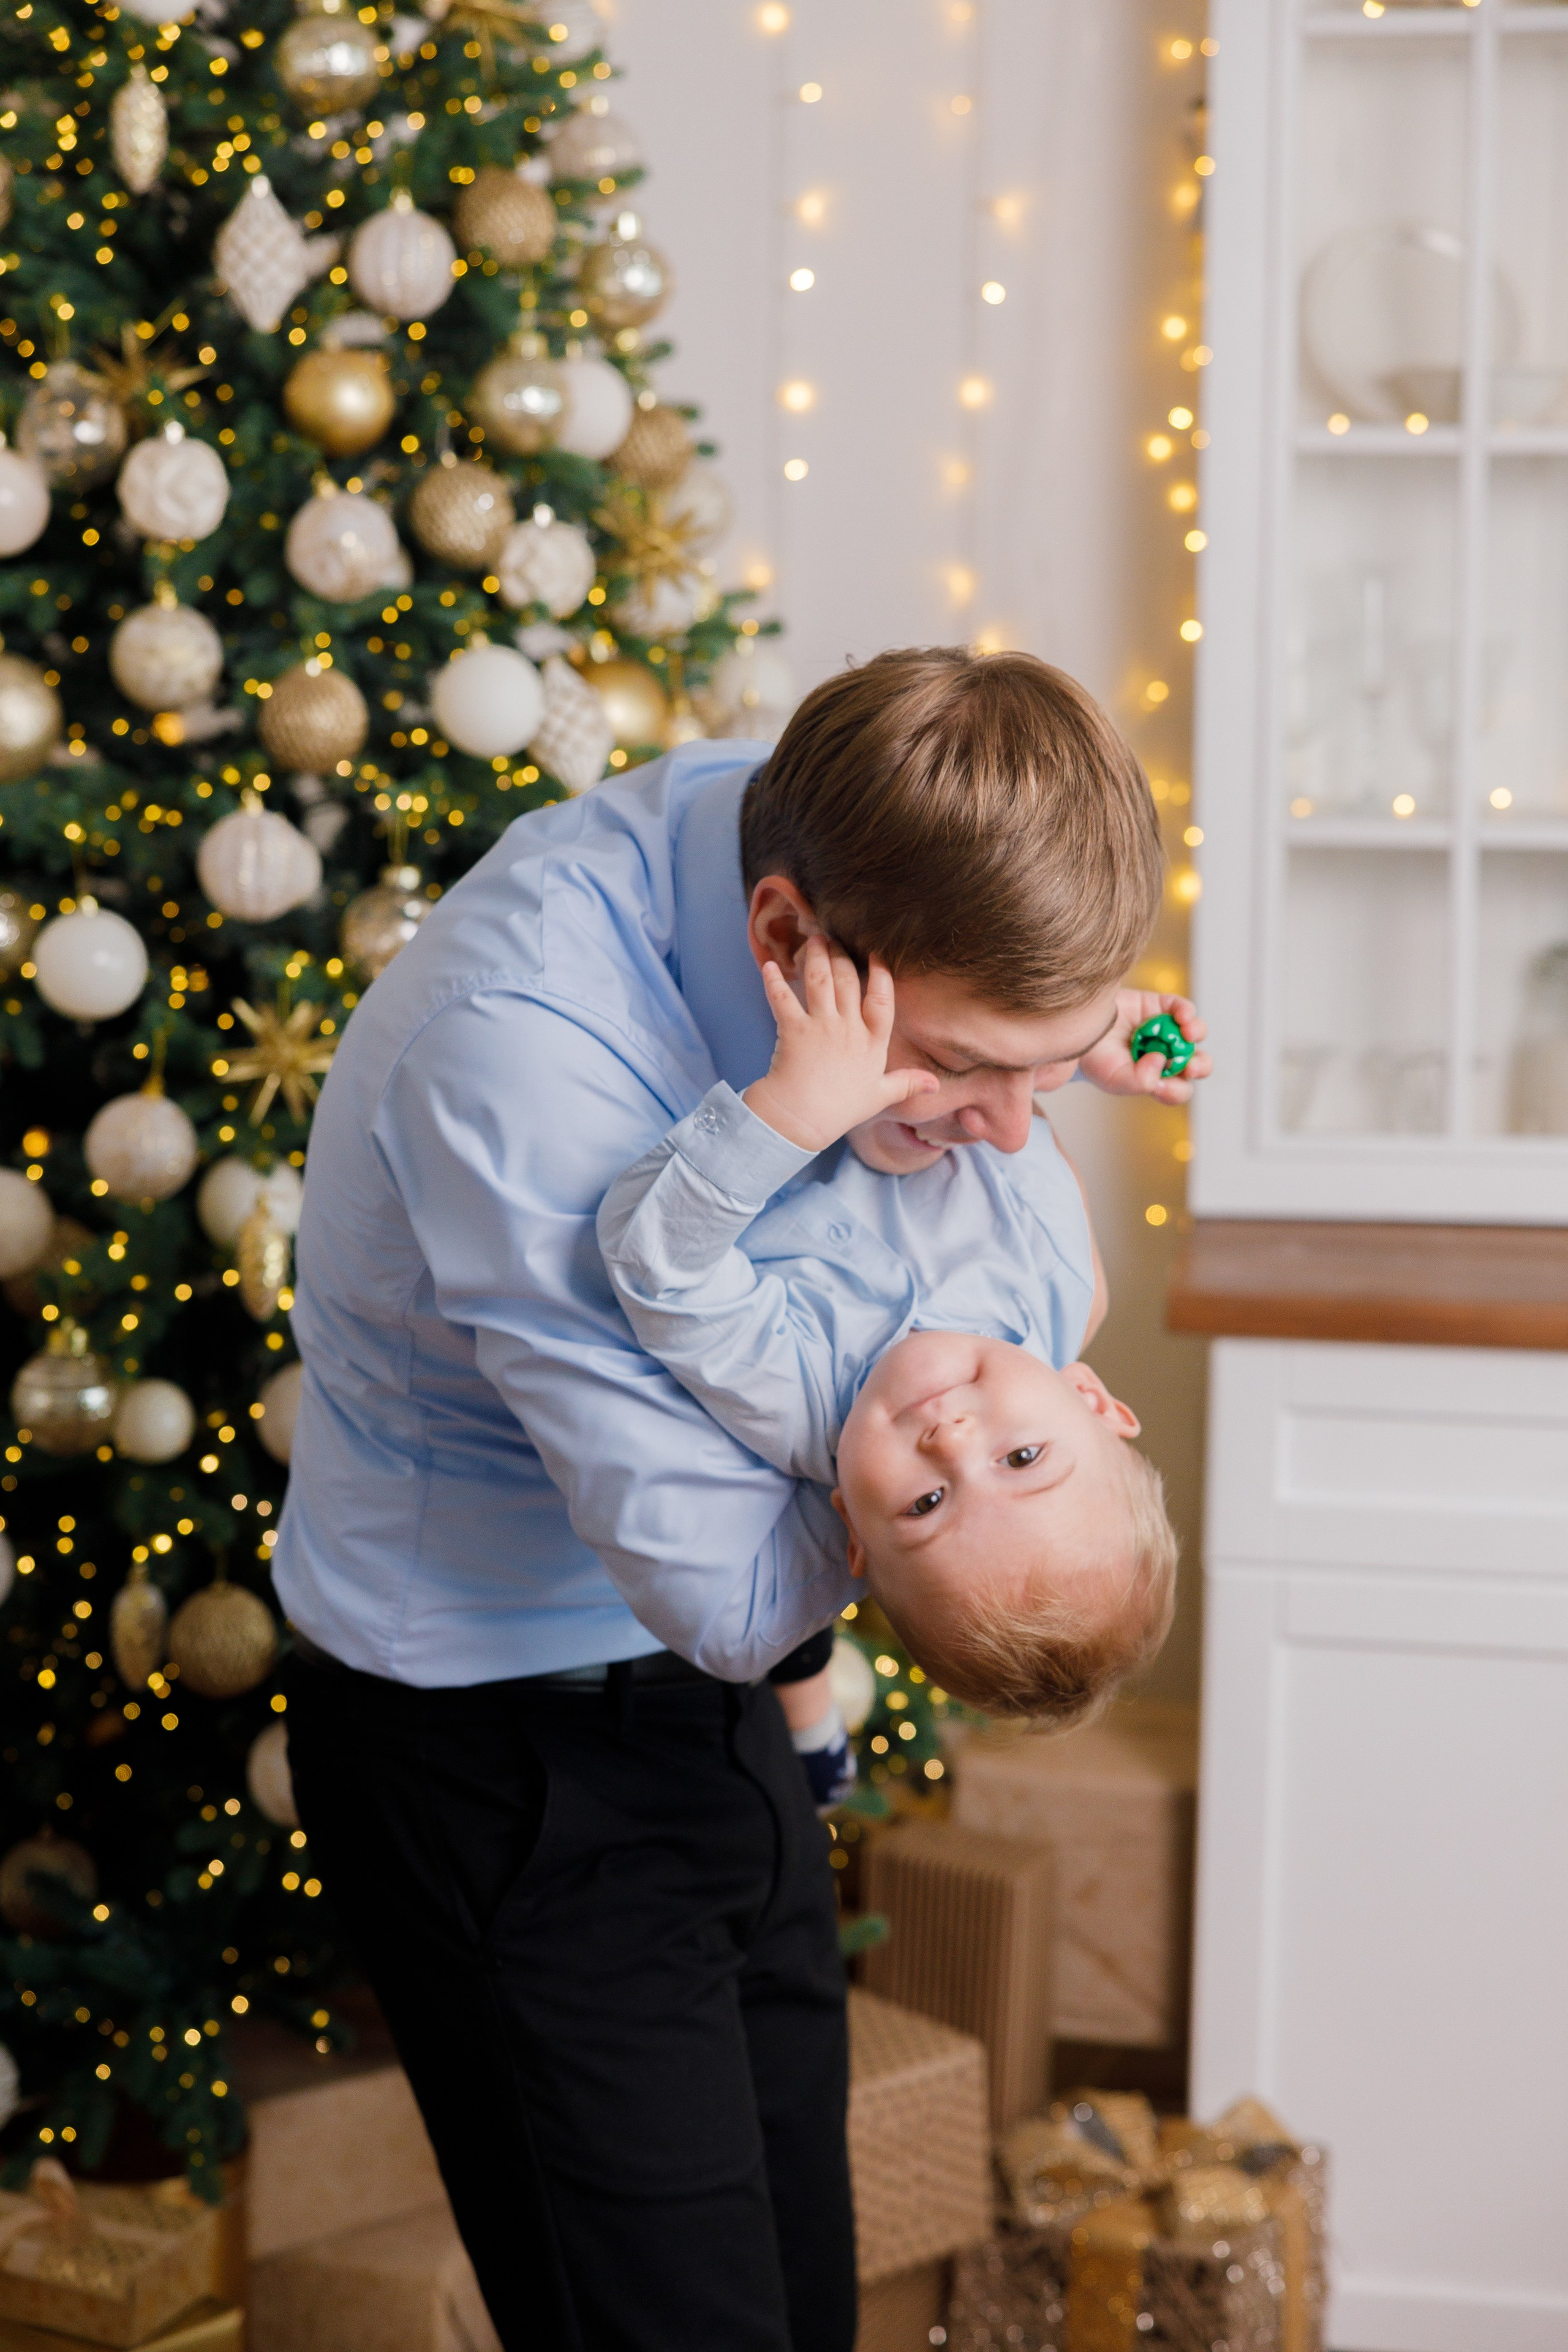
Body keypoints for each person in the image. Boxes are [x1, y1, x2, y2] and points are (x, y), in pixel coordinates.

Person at [272, 647, 1208, 2352]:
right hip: (502, 1749)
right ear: (786, 940)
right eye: (962, 1068)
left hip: (729, 1721)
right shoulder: (522, 1054)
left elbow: (998, 1253)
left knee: (798, 2291)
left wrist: (1083, 1044)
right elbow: (723, 1573)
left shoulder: (860, 844)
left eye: (1051, 1065)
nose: (1015, 1136)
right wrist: (922, 1527)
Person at [598, 934, 1179, 1751]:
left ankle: (812, 1727)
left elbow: (655, 1262)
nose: (952, 1442)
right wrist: (1080, 1050)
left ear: (852, 1528)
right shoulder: (1061, 1278)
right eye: (1022, 1459)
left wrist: (794, 1112)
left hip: (777, 1023)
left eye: (927, 1504)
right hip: (914, 990)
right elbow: (1012, 1120)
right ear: (1091, 1400)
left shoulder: (794, 1394)